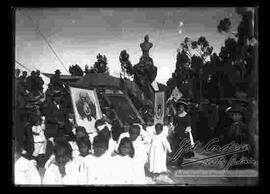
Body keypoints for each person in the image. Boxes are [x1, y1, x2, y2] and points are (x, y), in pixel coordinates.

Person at [172, 98, 194, 168]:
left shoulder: (188, 116)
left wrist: (185, 132)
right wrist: (173, 129)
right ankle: (178, 160)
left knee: (183, 149)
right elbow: (174, 124)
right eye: (179, 106)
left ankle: (180, 163)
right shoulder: (176, 115)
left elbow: (189, 125)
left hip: (184, 134)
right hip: (177, 133)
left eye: (182, 106)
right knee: (177, 148)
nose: (180, 108)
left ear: (184, 108)